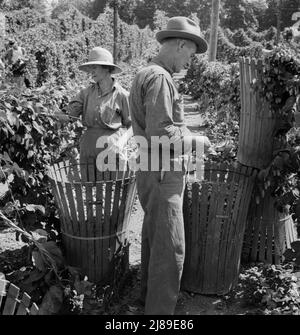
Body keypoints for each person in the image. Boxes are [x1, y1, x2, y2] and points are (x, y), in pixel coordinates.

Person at [129, 16, 212, 315]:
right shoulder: (161, 78)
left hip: (150, 169)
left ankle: (147, 299)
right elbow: (162, 131)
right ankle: (160, 314)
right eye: (189, 54)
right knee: (171, 247)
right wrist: (195, 139)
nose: (189, 61)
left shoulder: (144, 72)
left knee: (154, 237)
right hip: (164, 171)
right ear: (179, 45)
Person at [61, 47, 131, 179]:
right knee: (90, 188)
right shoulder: (85, 93)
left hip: (112, 148)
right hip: (89, 147)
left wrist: (121, 143)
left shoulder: (122, 95)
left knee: (114, 189)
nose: (91, 72)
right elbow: (69, 115)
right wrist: (56, 114)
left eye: (95, 67)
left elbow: (132, 125)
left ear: (107, 68)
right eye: (90, 68)